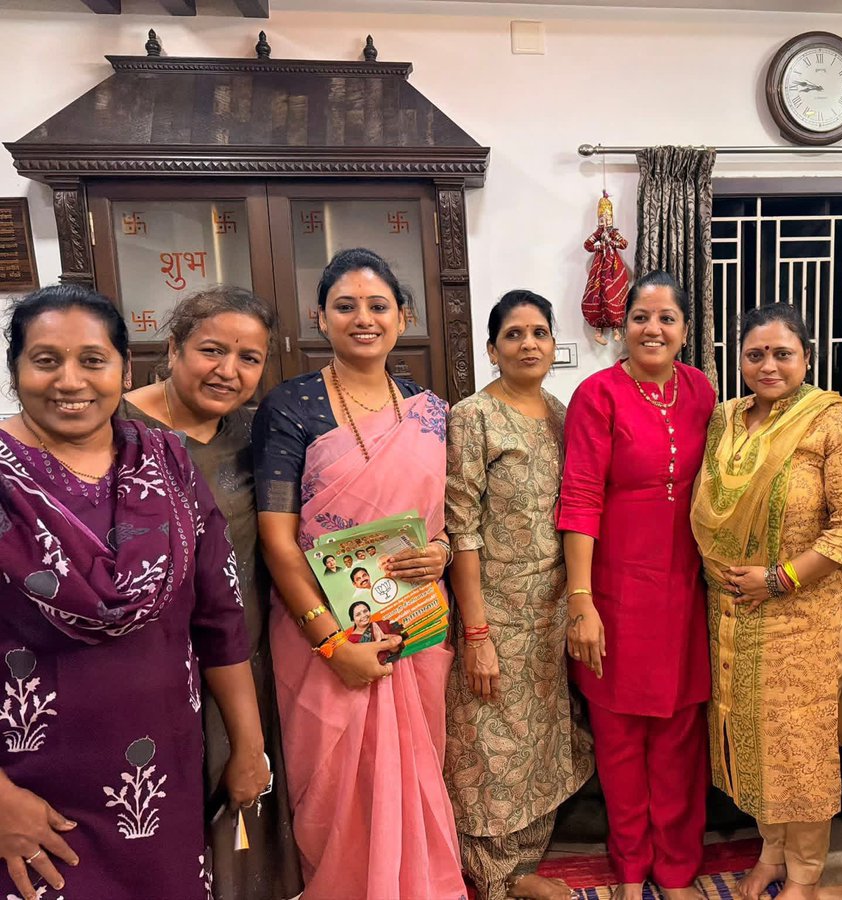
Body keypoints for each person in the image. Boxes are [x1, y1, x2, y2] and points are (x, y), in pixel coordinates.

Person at [0, 285, 270, 900]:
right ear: (17, 369)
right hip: (29, 792)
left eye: (92, 360)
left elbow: (219, 616)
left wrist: (248, 748)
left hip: (158, 778)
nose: (71, 380)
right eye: (46, 360)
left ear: (123, 367)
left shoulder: (167, 459)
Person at [253, 248, 465, 899]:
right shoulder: (290, 406)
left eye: (378, 306)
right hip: (321, 639)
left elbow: (441, 522)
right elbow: (277, 541)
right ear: (321, 317)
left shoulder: (431, 410)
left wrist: (445, 553)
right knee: (338, 790)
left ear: (402, 316)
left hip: (412, 627)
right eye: (346, 306)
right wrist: (331, 642)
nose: (363, 318)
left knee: (417, 772)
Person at [691, 304, 842, 900]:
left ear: (806, 358)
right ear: (737, 359)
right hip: (731, 610)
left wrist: (779, 579)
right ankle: (770, 852)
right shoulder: (724, 419)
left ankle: (804, 872)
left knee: (798, 745)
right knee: (750, 737)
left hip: (808, 611)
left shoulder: (833, 421)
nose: (768, 365)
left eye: (782, 353)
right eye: (755, 354)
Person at [120, 285, 302, 900]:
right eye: (211, 350)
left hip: (244, 659)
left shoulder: (258, 434)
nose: (229, 371)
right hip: (146, 672)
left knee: (244, 807)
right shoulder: (114, 428)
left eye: (249, 358)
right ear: (172, 348)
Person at [558, 271, 715, 900]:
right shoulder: (598, 395)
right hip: (615, 590)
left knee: (680, 738)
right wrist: (581, 602)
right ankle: (628, 870)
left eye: (666, 318)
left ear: (683, 328)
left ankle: (677, 871)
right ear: (622, 326)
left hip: (684, 588)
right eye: (641, 317)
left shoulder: (701, 390)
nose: (653, 329)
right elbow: (580, 499)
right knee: (620, 740)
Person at [444, 290, 594, 900]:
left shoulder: (564, 415)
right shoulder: (472, 417)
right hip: (494, 610)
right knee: (489, 743)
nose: (528, 344)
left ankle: (528, 862)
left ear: (553, 345)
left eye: (539, 333)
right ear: (492, 348)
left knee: (543, 740)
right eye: (514, 334)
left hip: (553, 609)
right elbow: (462, 529)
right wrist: (475, 632)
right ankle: (497, 876)